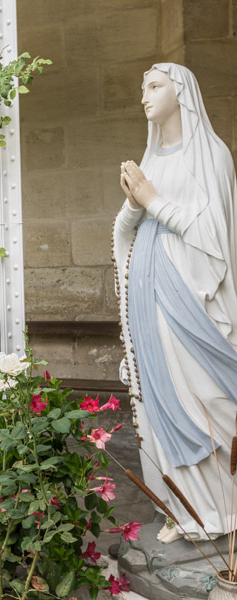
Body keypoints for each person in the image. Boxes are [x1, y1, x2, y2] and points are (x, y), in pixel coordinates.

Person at [113, 63, 237, 543]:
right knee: (159, 396)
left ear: (180, 91)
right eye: (141, 86)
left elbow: (214, 236)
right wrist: (134, 201)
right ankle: (183, 511)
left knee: (205, 396)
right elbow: (130, 228)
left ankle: (220, 510)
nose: (144, 96)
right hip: (149, 298)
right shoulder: (152, 159)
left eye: (154, 86)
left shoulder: (212, 155)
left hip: (192, 300)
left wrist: (151, 199)